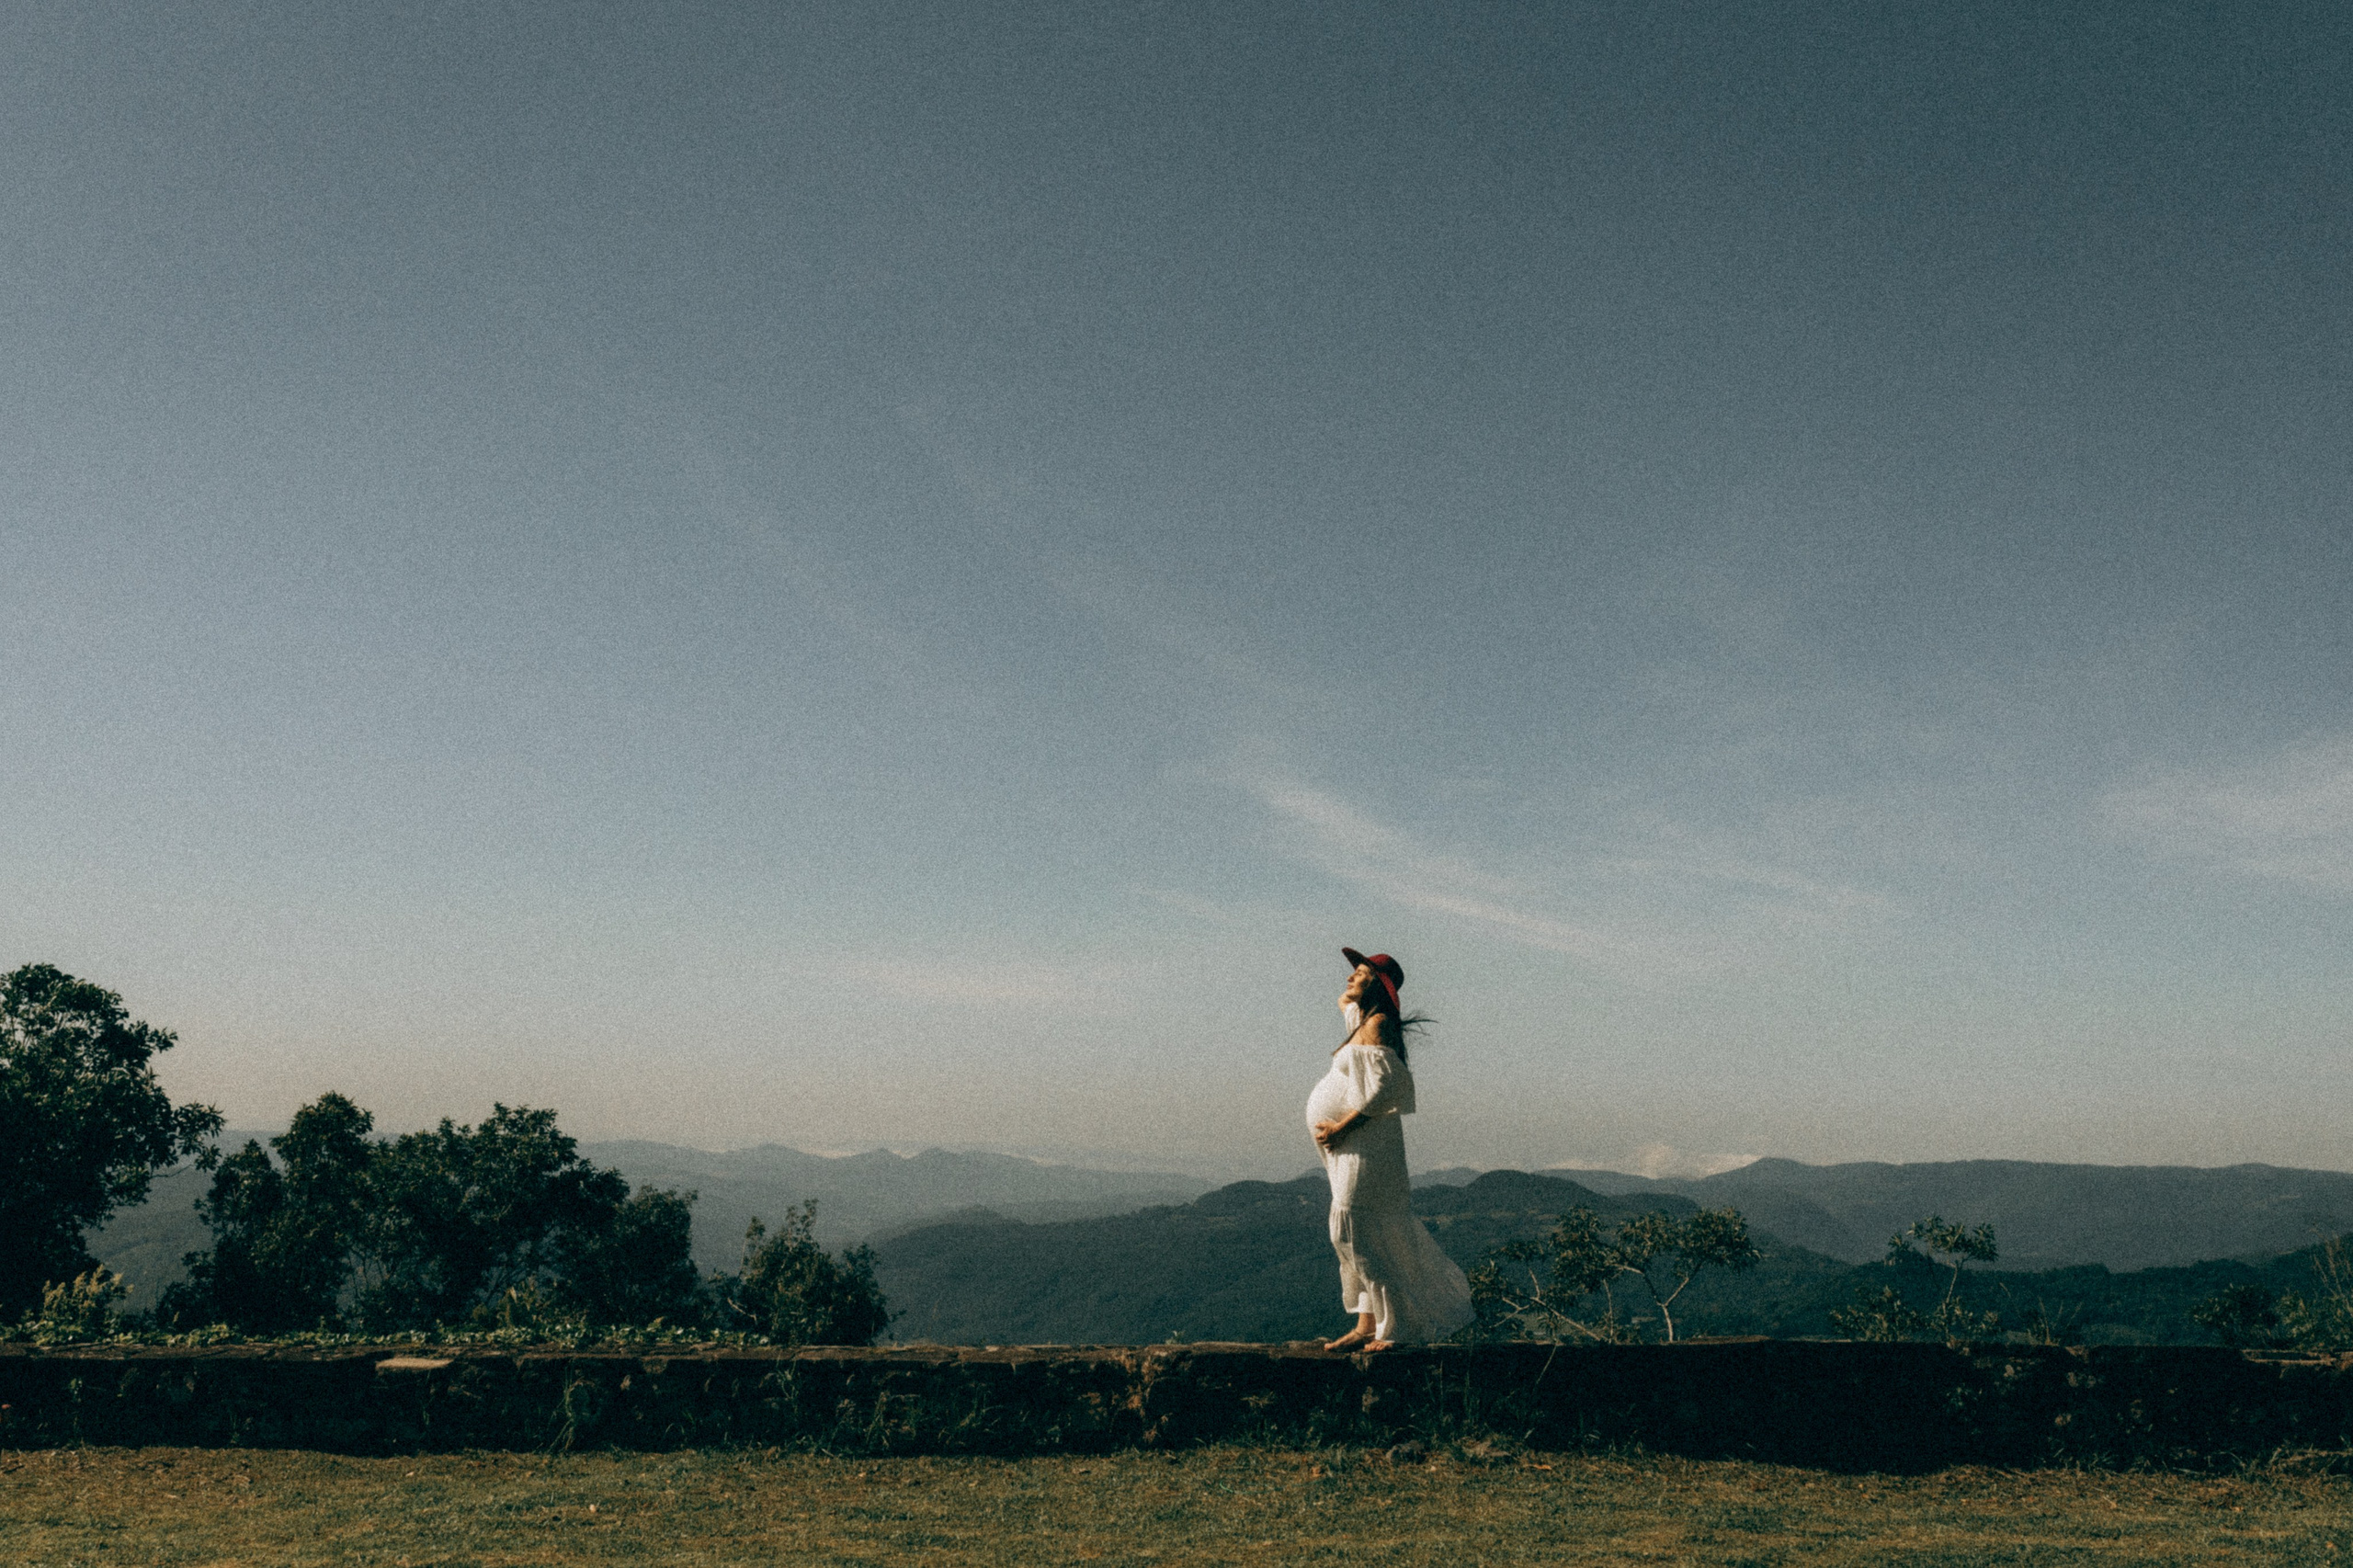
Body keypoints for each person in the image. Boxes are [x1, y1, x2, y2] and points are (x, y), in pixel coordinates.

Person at [1306, 947, 1475, 1352]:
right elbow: (1344, 1000)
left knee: (1354, 1229)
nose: (1349, 978)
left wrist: (1344, 1127)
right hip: (1347, 1147)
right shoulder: (1362, 1020)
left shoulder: (1378, 1024)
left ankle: (1395, 1326)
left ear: (1378, 986)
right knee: (1350, 1234)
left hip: (1364, 1144)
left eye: (1359, 973)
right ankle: (1367, 1324)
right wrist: (1358, 987)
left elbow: (1389, 1087)